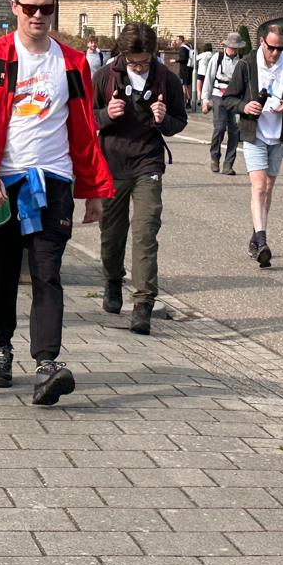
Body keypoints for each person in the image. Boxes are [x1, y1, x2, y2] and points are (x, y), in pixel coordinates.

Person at [0, 0, 114, 405]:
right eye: (30, 9)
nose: (38, 16)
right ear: (15, 9)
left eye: (46, 9)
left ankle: (47, 364)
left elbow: (83, 128)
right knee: (2, 272)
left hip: (54, 183)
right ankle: (2, 348)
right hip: (1, 184)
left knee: (47, 272)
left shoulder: (72, 63)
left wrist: (95, 188)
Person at [93, 20, 188, 333]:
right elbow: (85, 117)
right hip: (113, 164)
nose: (139, 66)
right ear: (122, 54)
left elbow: (179, 120)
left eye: (145, 61)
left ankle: (143, 303)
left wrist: (164, 120)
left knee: (145, 232)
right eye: (134, 62)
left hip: (148, 163)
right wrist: (108, 114)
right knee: (111, 234)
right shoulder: (105, 76)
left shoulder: (166, 79)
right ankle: (111, 280)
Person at [221, 23, 283, 267]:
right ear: (261, 42)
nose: (276, 53)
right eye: (272, 48)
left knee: (268, 188)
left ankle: (256, 234)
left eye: (280, 48)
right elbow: (228, 98)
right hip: (254, 133)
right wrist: (244, 106)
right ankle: (262, 240)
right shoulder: (246, 65)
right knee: (258, 188)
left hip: (278, 136)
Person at [201, 32, 245, 175]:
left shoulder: (241, 62)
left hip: (235, 98)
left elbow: (244, 84)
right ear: (226, 46)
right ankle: (215, 156)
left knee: (234, 132)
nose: (233, 50)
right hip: (218, 96)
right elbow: (209, 78)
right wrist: (205, 100)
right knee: (219, 128)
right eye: (231, 47)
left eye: (236, 47)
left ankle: (228, 165)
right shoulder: (217, 58)